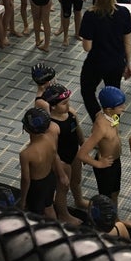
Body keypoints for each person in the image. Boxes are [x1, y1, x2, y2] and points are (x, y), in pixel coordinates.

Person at [79, 0, 131, 121]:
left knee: (87, 90)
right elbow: (127, 43)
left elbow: (87, 47)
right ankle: (113, 125)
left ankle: (98, 120)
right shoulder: (124, 12)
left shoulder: (90, 15)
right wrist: (128, 63)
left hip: (96, 62)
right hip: (116, 61)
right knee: (114, 95)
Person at [42, 83, 88, 225]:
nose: (68, 106)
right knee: (63, 188)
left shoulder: (71, 113)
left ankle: (79, 200)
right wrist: (60, 172)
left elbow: (78, 131)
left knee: (76, 179)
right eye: (64, 103)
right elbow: (53, 151)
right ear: (53, 106)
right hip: (61, 160)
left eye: (68, 101)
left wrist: (83, 148)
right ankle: (63, 214)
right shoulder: (52, 126)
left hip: (74, 153)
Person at [77, 86, 126, 206]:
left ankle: (116, 219)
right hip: (106, 167)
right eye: (120, 106)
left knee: (115, 192)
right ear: (109, 109)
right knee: (105, 198)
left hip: (115, 161)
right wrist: (99, 164)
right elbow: (82, 154)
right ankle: (104, 221)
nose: (124, 108)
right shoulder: (101, 126)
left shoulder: (112, 116)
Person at [19, 107, 64, 218]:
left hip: (36, 187)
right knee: (49, 207)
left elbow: (26, 179)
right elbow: (54, 156)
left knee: (35, 215)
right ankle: (56, 230)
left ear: (26, 128)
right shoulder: (50, 139)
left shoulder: (26, 154)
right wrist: (61, 174)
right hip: (50, 179)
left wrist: (23, 199)